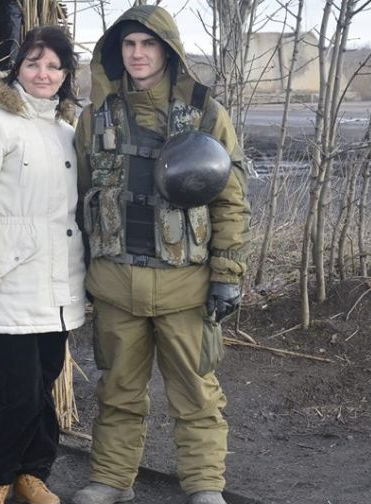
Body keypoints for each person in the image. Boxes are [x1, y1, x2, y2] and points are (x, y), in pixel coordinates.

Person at [72, 5, 250, 504]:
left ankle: (204, 485)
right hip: (115, 283)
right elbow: (79, 197)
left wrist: (227, 274)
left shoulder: (206, 115)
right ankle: (111, 480)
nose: (138, 54)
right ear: (117, 51)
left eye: (148, 44)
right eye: (129, 44)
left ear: (168, 51)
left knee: (196, 394)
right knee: (117, 391)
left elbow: (231, 200)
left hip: (184, 287)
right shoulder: (95, 118)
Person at [0, 26, 85, 504]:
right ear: (17, 68)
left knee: (44, 382)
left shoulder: (67, 133)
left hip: (59, 281)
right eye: (33, 63)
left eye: (53, 66)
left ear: (65, 75)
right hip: (9, 278)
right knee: (20, 390)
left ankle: (32, 472)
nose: (43, 74)